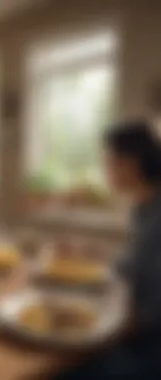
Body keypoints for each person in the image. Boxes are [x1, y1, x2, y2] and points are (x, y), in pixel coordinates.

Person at [54, 120, 161, 380]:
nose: (105, 168)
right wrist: (89, 253)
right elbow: (135, 264)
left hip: (148, 353)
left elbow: (150, 313)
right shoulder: (143, 209)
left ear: (132, 163)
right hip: (135, 334)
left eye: (109, 160)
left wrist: (86, 320)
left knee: (59, 368)